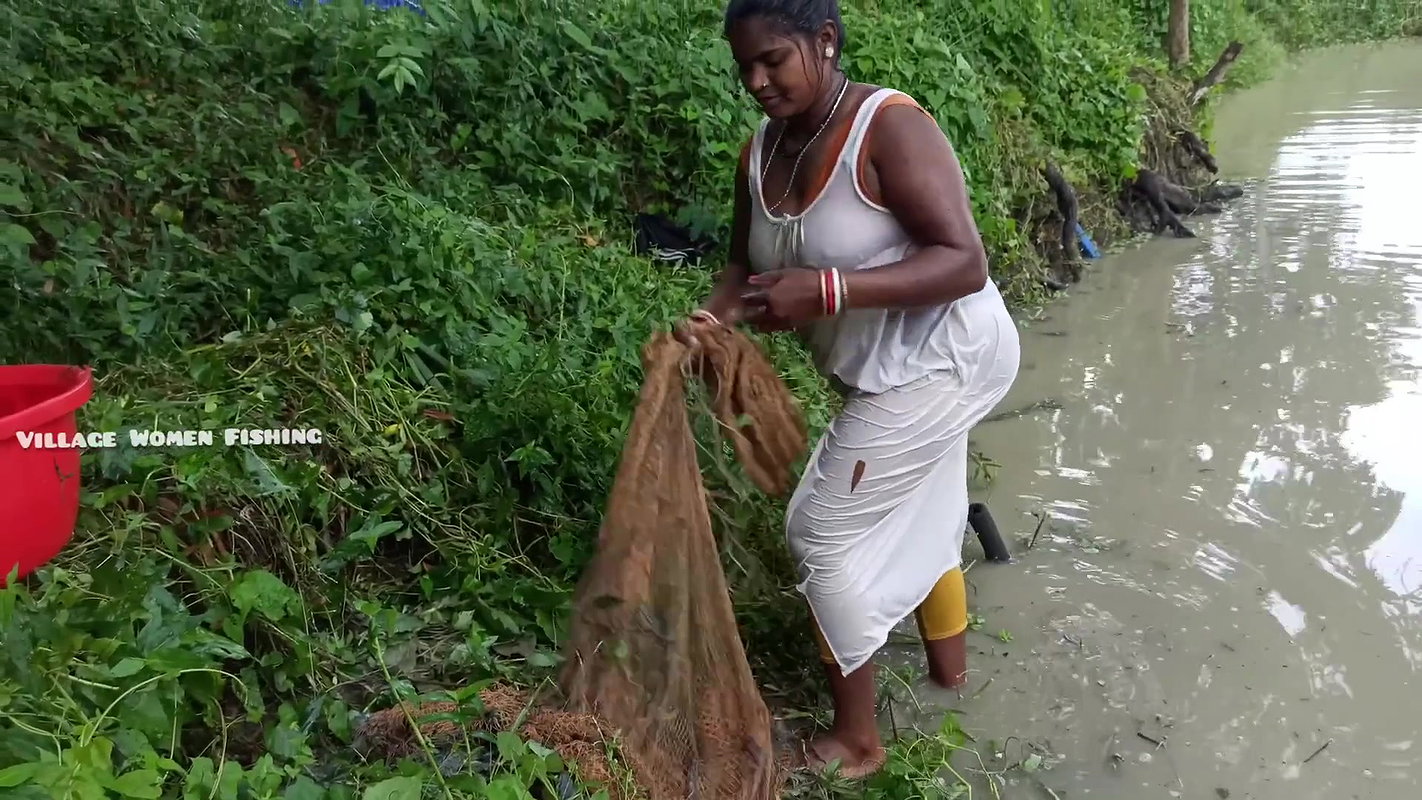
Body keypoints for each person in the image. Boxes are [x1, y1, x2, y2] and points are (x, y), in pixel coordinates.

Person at [674, 0, 1021, 779]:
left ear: (824, 42)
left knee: (819, 532)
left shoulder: (888, 128)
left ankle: (858, 742)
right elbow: (740, 267)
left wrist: (828, 291)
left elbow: (964, 261)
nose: (756, 82)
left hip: (949, 355)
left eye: (773, 60)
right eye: (744, 67)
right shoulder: (760, 152)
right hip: (884, 371)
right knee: (927, 505)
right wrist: (710, 320)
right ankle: (950, 678)